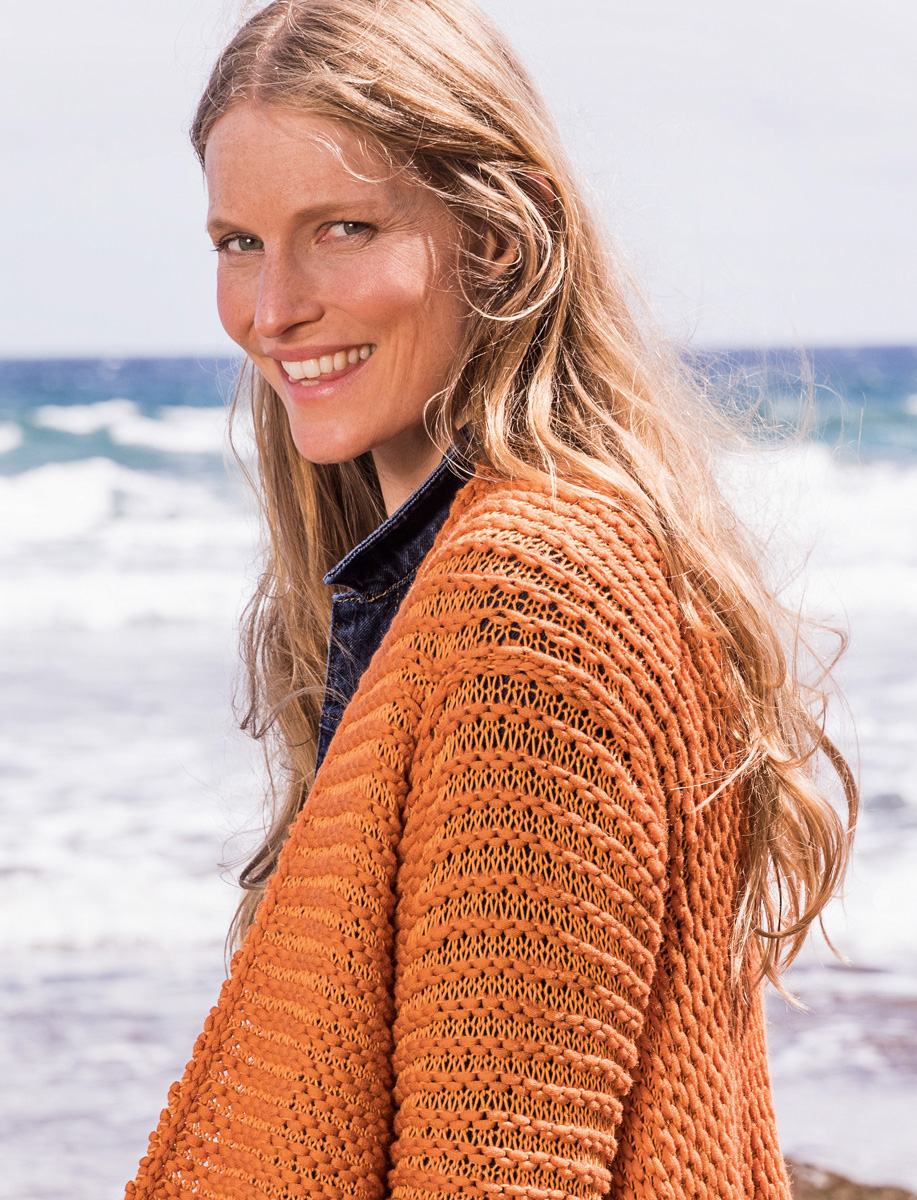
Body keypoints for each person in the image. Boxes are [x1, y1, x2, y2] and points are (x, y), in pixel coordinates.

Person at [125, 1, 857, 1196]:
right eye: (238, 242)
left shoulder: (527, 608)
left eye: (343, 228)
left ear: (502, 238)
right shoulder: (489, 565)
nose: (271, 308)